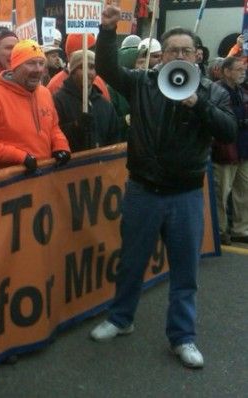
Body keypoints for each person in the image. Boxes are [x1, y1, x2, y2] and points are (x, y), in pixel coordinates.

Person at [89, 5, 238, 369]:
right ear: (163, 55)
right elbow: (107, 68)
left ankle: (183, 337)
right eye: (173, 50)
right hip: (143, 189)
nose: (180, 56)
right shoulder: (143, 83)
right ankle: (121, 319)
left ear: (197, 55)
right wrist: (107, 31)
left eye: (186, 51)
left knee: (185, 270)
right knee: (131, 261)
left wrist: (198, 105)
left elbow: (229, 130)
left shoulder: (211, 91)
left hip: (186, 194)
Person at [0, 40, 71, 173]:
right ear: (14, 66)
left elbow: (53, 127)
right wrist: (20, 157)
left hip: (42, 181)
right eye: (31, 63)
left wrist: (61, 146)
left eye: (41, 63)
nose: (38, 69)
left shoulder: (44, 93)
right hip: (7, 186)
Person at [211, 56, 248, 244]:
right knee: (221, 193)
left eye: (243, 69)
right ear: (226, 71)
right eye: (238, 69)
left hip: (243, 149)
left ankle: (240, 229)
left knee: (244, 192)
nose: (243, 72)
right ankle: (220, 230)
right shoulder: (216, 91)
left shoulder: (242, 92)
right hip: (225, 150)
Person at [53, 50, 121, 152]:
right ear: (73, 72)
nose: (88, 72)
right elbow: (53, 134)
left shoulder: (105, 104)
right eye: (82, 67)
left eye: (92, 67)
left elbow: (115, 137)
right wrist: (76, 126)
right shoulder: (58, 101)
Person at [46, 33, 111, 101]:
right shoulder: (56, 85)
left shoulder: (98, 81)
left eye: (95, 50)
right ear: (77, 54)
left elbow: (107, 108)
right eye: (91, 50)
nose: (94, 54)